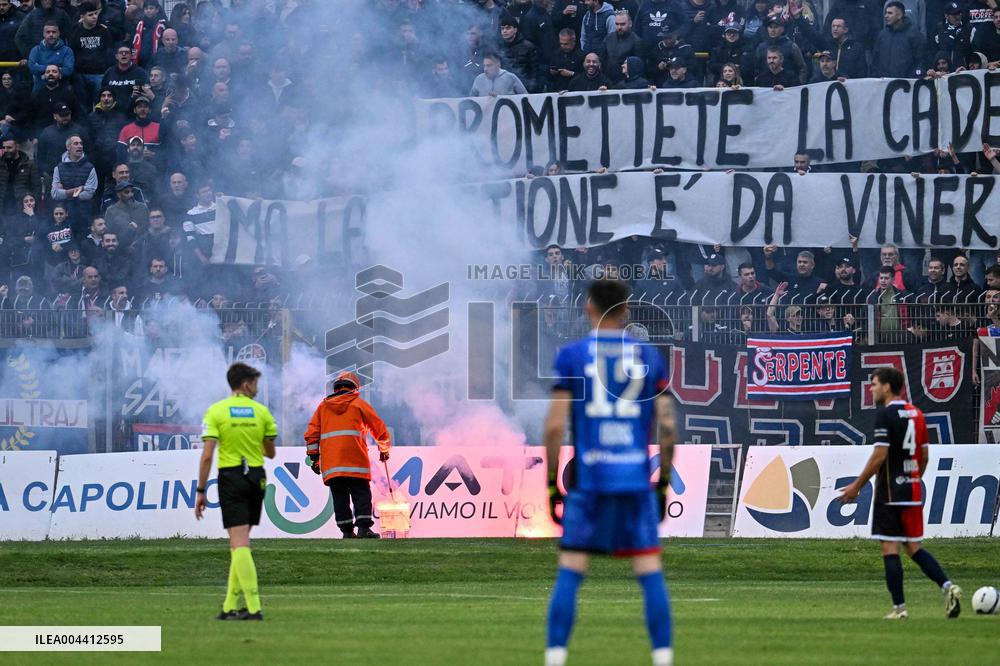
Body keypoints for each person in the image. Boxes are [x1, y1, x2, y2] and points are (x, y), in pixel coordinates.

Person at [543, 278, 676, 666]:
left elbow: (553, 428)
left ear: (588, 307)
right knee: (649, 569)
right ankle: (663, 658)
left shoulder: (571, 355)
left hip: (590, 480)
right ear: (626, 310)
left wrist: (553, 485)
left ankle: (555, 658)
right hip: (635, 480)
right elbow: (668, 426)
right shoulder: (649, 356)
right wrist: (663, 483)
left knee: (571, 569)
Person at [837, 367, 962, 620]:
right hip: (912, 489)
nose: (871, 389)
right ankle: (948, 587)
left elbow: (879, 455)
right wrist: (913, 478)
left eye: (874, 384)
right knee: (914, 547)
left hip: (890, 492)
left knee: (889, 547)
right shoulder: (917, 414)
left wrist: (856, 486)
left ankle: (899, 609)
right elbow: (924, 456)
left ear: (886, 386)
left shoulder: (885, 415)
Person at [195, 362, 277, 621]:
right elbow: (270, 451)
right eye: (255, 383)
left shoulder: (216, 411)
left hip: (231, 476)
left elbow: (207, 456)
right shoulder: (261, 412)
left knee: (239, 542)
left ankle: (253, 608)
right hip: (256, 477)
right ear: (245, 384)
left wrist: (200, 489)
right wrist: (253, 440)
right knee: (238, 543)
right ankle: (230, 606)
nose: (257, 388)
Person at [304, 370, 391, 539]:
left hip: (333, 464)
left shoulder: (323, 407)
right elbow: (378, 427)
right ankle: (364, 529)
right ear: (355, 388)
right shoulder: (359, 404)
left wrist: (314, 457)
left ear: (336, 388)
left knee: (339, 496)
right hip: (355, 460)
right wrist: (384, 448)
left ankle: (346, 531)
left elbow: (312, 433)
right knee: (361, 493)